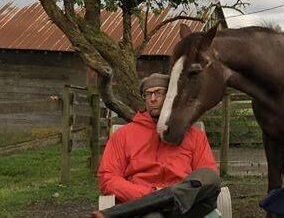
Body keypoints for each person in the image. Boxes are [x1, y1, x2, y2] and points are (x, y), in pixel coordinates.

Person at [93, 73, 220, 218]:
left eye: (159, 93)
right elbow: (108, 178)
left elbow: (208, 174)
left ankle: (163, 201)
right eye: (148, 94)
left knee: (210, 177)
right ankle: (158, 202)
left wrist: (168, 195)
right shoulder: (123, 135)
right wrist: (148, 193)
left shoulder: (194, 135)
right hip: (144, 206)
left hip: (186, 206)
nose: (153, 99)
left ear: (172, 97)